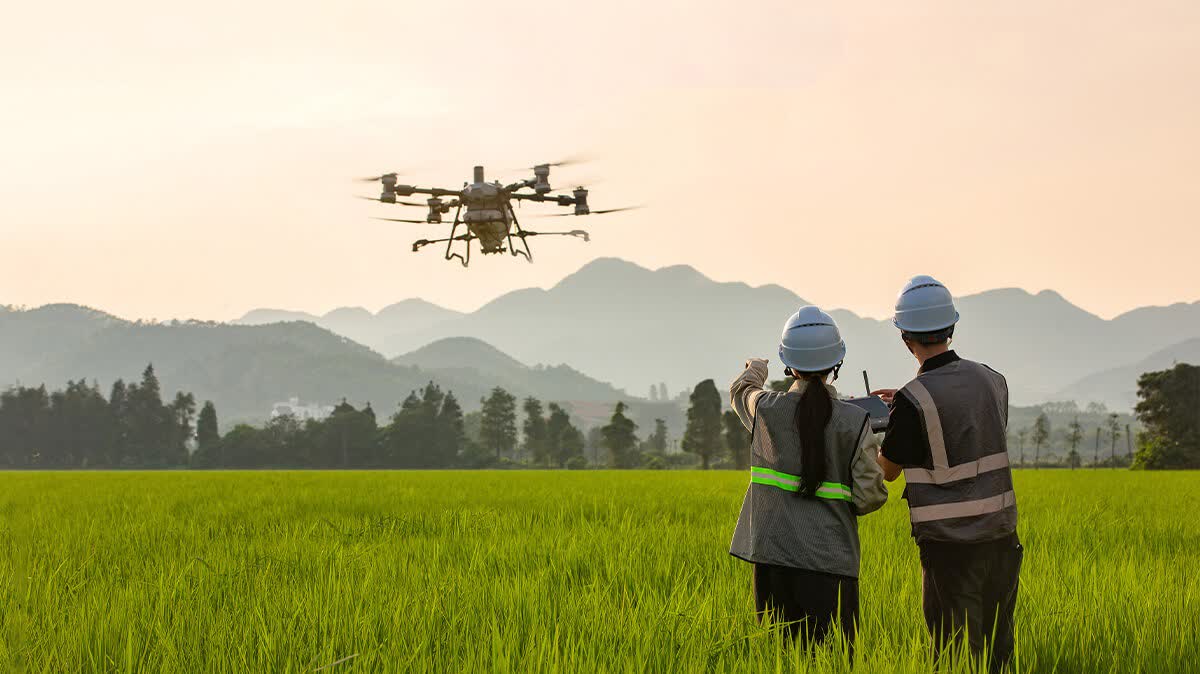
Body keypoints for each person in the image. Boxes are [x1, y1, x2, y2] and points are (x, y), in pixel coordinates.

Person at [872, 275, 1023, 673]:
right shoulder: (993, 379)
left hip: (951, 548)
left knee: (956, 656)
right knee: (997, 652)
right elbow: (969, 422)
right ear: (951, 328)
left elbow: (886, 472)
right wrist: (903, 410)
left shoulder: (914, 398)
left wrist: (880, 427)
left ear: (906, 338)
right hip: (1004, 539)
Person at [729, 305, 888, 656]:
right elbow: (869, 498)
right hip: (831, 567)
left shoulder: (766, 410)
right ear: (837, 363)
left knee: (780, 659)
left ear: (788, 363)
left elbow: (742, 391)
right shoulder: (856, 421)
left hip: (772, 564)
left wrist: (756, 367)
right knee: (832, 661)